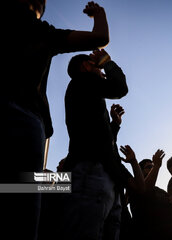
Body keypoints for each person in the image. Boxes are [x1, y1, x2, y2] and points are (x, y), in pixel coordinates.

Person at [1, 1, 111, 239]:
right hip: (26, 122)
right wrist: (99, 14)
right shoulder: (40, 31)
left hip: (52, 152)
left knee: (20, 187)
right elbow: (100, 37)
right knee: (25, 200)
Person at [58, 49, 144, 240]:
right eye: (98, 67)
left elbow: (100, 139)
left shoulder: (87, 94)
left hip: (103, 177)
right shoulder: (83, 82)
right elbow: (120, 88)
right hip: (91, 174)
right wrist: (107, 61)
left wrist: (114, 124)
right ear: (86, 66)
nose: (103, 72)